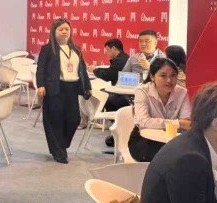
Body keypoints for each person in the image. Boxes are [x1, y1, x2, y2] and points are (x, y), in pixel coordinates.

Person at [35, 18, 91, 164]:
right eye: (61, 29)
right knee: (55, 120)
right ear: (54, 32)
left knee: (74, 119)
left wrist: (87, 87)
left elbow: (83, 69)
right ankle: (59, 152)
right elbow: (40, 68)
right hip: (55, 88)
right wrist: (40, 85)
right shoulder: (47, 49)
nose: (64, 32)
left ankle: (60, 145)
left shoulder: (76, 49)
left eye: (67, 29)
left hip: (72, 88)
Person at [127, 57, 192, 162]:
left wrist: (180, 124)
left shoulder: (182, 93)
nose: (169, 80)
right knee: (170, 157)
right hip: (144, 139)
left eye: (173, 75)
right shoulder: (142, 91)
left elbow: (187, 122)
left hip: (173, 140)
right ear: (152, 77)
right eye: (163, 76)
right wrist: (178, 123)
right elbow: (143, 122)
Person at [104, 29, 166, 116]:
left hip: (154, 96)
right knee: (109, 99)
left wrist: (150, 68)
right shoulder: (134, 58)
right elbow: (123, 76)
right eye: (141, 41)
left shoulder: (163, 59)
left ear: (155, 42)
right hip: (132, 94)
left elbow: (165, 79)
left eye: (147, 41)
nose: (143, 44)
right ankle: (122, 123)